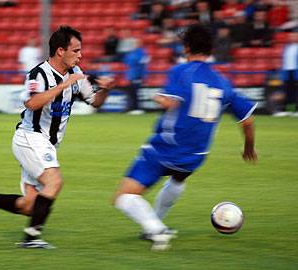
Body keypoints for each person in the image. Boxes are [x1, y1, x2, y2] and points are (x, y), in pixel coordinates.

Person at [0, 25, 114, 249]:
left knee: (30, 206)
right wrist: (64, 85)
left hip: (47, 144)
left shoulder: (76, 74)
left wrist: (105, 90)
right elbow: (32, 103)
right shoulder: (38, 74)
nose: (80, 55)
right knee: (55, 182)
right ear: (60, 51)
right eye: (76, 51)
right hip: (30, 138)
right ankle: (31, 238)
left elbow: (95, 102)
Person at [113, 24, 258, 251]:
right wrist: (249, 147)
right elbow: (248, 120)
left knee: (123, 197)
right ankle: (157, 225)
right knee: (178, 178)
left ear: (187, 48)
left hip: (166, 148)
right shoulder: (223, 82)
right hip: (196, 154)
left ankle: (157, 230)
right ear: (210, 50)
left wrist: (158, 97)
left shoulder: (182, 71)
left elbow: (171, 102)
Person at [274, 30, 298, 117]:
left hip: (296, 72)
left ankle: (295, 110)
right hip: (287, 72)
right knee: (287, 92)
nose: (292, 38)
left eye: (294, 36)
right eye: (291, 36)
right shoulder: (287, 47)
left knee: (295, 93)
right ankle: (287, 110)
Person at [123, 38, 149, 114]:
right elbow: (127, 61)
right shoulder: (131, 53)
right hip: (131, 75)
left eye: (136, 43)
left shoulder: (142, 53)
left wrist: (142, 76)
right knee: (132, 92)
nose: (134, 45)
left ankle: (138, 108)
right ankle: (133, 108)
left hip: (138, 75)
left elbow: (141, 62)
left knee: (136, 92)